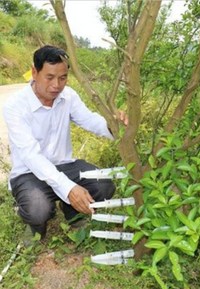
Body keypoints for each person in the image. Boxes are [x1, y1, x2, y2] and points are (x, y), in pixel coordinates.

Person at [3, 45, 127, 241]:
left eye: (63, 78)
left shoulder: (68, 96)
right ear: (34, 72)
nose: (56, 85)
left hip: (65, 166)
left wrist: (113, 125)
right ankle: (36, 225)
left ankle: (72, 212)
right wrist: (69, 189)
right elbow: (31, 156)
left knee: (104, 185)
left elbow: (90, 119)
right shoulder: (15, 106)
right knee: (38, 209)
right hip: (29, 173)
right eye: (49, 77)